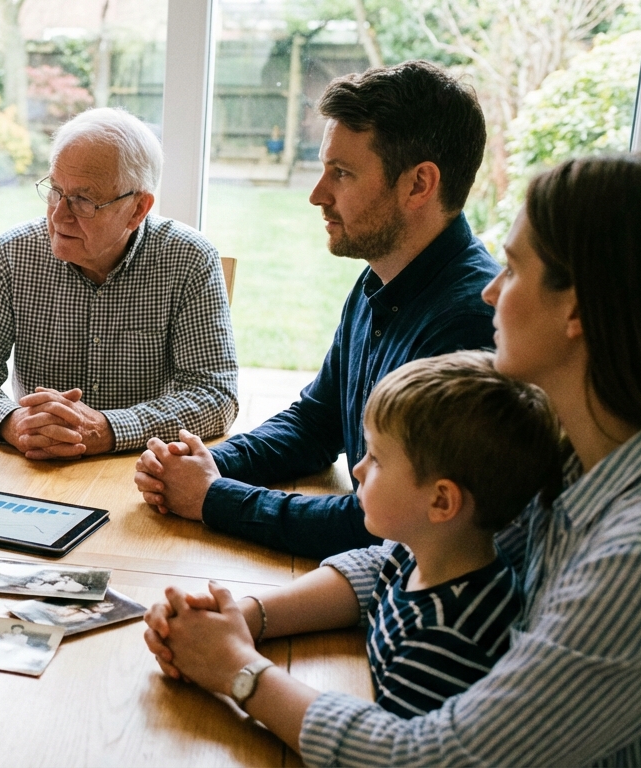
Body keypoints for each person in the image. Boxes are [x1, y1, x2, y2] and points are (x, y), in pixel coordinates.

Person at [144, 154, 641, 765]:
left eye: (512, 270)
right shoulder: (574, 452)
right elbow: (402, 556)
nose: (491, 290)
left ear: (577, 310)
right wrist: (247, 616)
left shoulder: (633, 556)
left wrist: (237, 672)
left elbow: (430, 757)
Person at [134, 61, 499, 558]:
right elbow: (317, 423)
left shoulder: (468, 324)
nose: (316, 195)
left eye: (342, 173)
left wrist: (213, 497)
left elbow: (386, 527)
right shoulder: (382, 276)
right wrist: (207, 462)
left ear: (418, 185)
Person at [168, 351, 562, 723]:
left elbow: (390, 744)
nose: (356, 469)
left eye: (376, 458)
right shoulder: (418, 555)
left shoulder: (447, 638)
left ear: (441, 501)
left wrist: (234, 664)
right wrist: (241, 618)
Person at [0, 107, 237, 460]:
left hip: (140, 467)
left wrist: (107, 429)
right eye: (55, 190)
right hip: (37, 463)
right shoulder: (13, 253)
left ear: (138, 209)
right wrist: (12, 421)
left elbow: (215, 395)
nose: (59, 215)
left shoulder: (188, 259)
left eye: (83, 200)